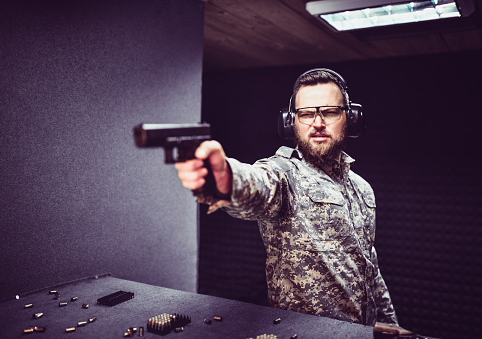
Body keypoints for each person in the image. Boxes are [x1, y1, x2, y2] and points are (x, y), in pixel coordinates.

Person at [175, 69, 408, 332]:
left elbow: (369, 266)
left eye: (330, 112)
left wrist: (389, 323)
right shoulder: (285, 175)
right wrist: (225, 177)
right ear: (291, 122)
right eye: (306, 114)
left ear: (350, 118)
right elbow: (258, 184)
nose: (317, 122)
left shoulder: (362, 189)